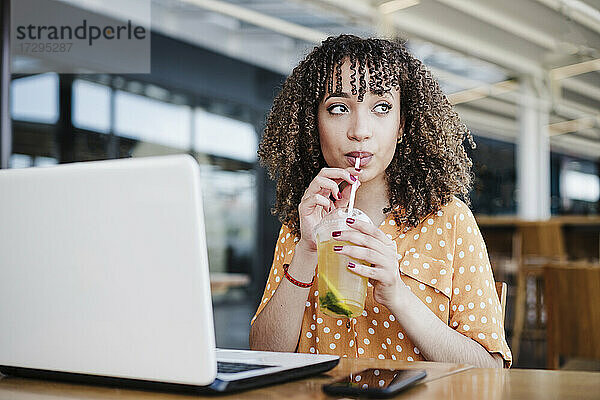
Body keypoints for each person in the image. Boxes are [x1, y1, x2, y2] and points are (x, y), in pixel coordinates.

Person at [249, 35, 512, 368]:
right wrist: (305, 253)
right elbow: (261, 356)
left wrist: (398, 295)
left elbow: (490, 370)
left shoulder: (450, 220)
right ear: (314, 123)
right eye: (338, 108)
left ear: (401, 125)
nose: (360, 130)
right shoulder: (303, 222)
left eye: (381, 107)